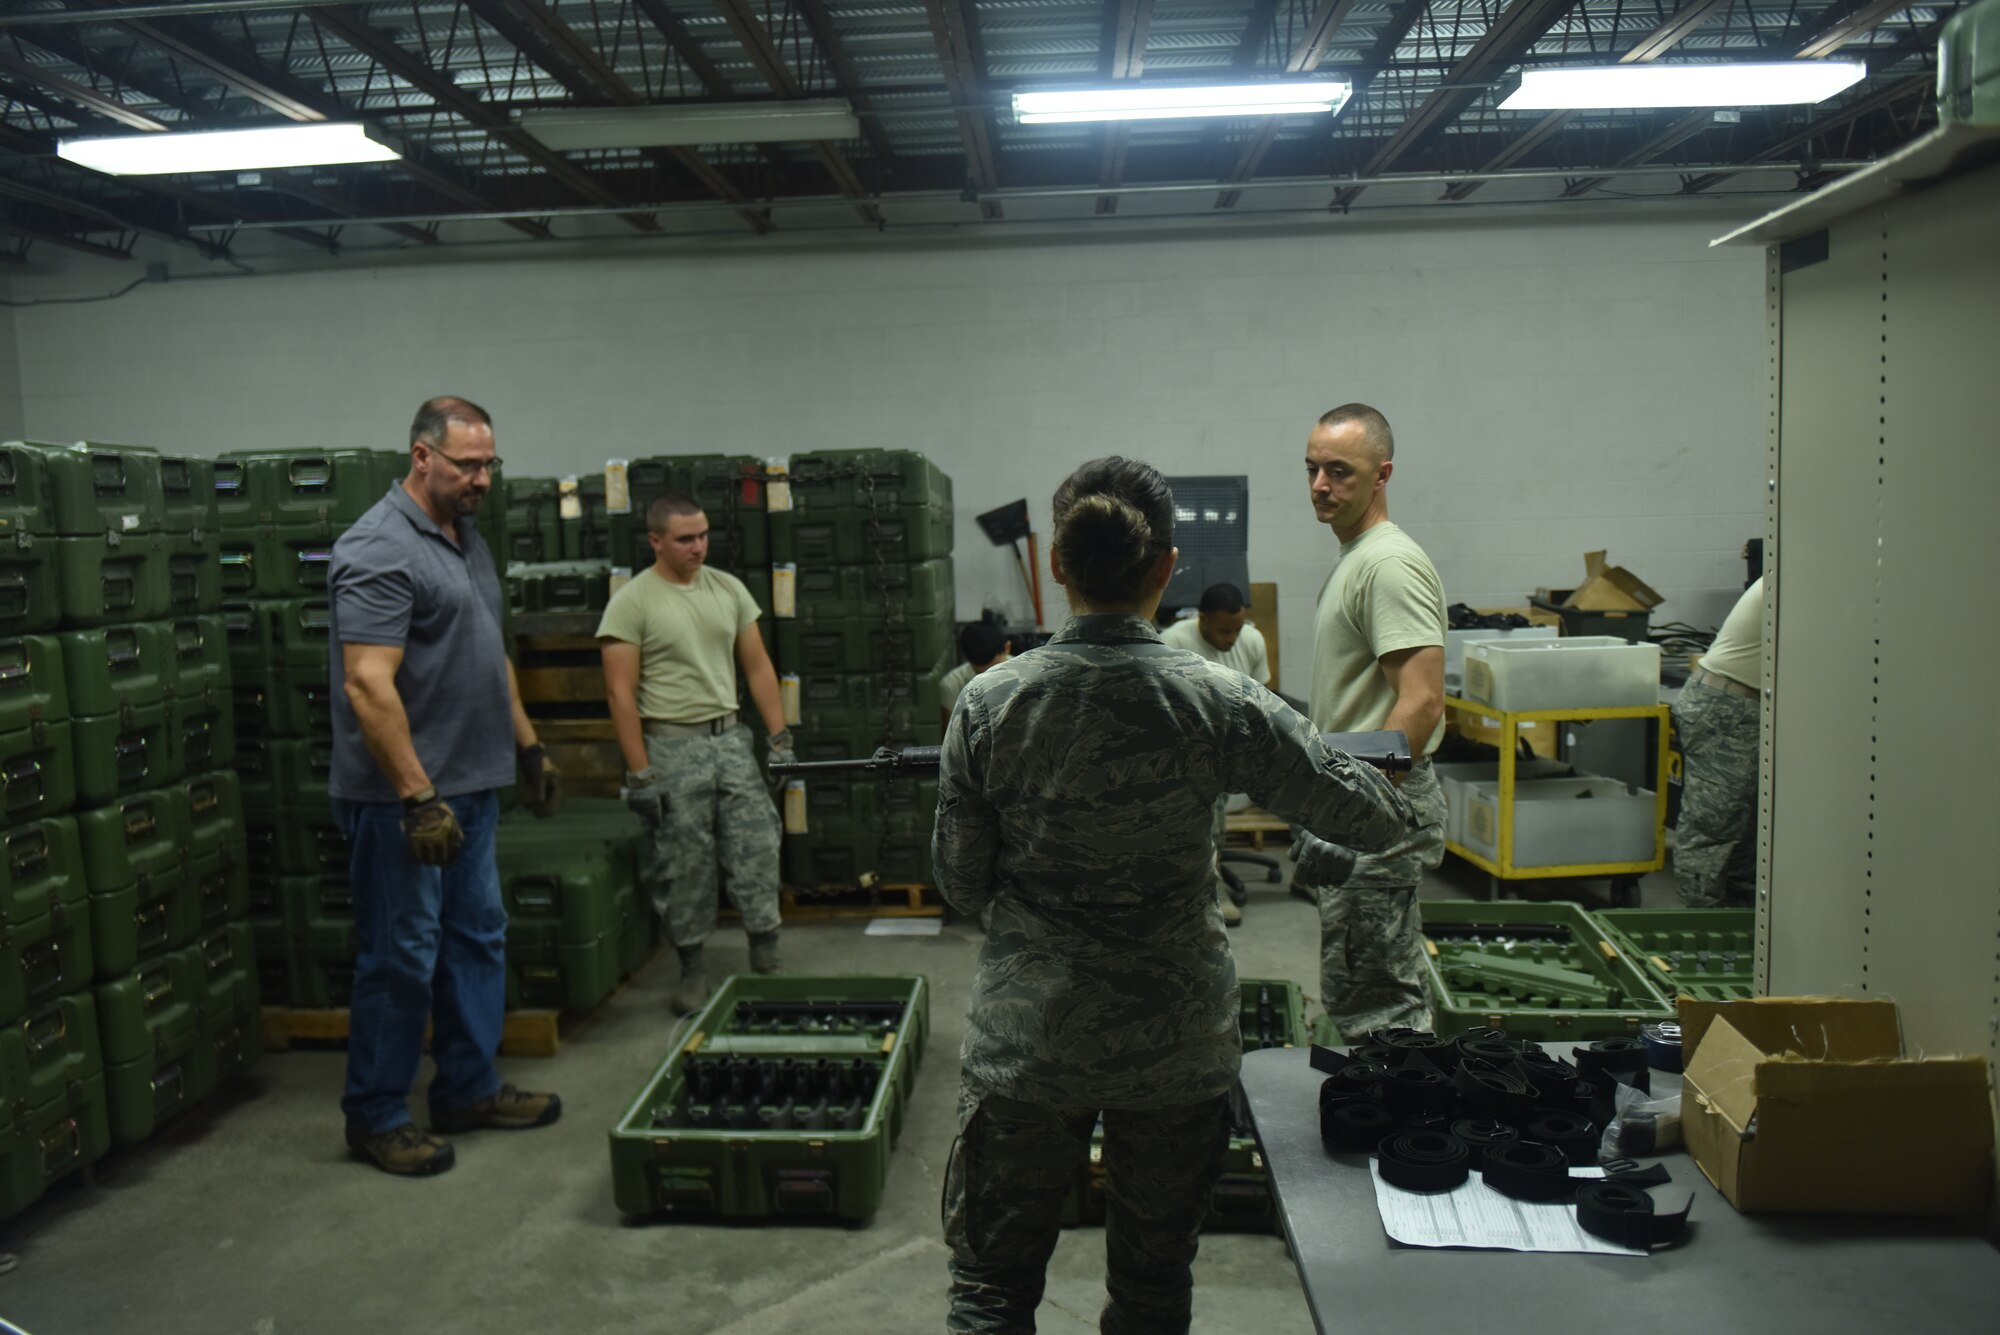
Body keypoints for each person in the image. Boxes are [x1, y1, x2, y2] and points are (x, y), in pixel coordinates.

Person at [935, 456, 1413, 1335]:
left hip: (1030, 1037)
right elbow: (1381, 817)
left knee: (991, 1294)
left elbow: (960, 885)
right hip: (1176, 1040)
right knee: (1153, 1291)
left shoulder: (988, 703)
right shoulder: (1224, 698)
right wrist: (1350, 811)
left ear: (1059, 568)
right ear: (1166, 569)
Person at [329, 396, 564, 1178]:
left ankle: (467, 1085)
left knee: (476, 934)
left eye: (489, 464)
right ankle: (377, 1114)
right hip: (406, 801)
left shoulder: (465, 538)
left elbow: (487, 651)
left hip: (474, 784)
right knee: (401, 953)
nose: (482, 478)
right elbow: (368, 683)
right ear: (421, 456)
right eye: (467, 464)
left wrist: (528, 747)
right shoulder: (377, 548)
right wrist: (415, 794)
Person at [598, 493, 791, 1015]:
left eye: (703, 535)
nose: (698, 547)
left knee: (756, 844)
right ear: (655, 541)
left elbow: (757, 668)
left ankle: (766, 955)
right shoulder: (632, 602)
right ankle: (692, 968)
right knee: (684, 861)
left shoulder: (727, 589)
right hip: (671, 745)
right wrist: (640, 773)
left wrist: (779, 738)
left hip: (730, 742)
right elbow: (620, 694)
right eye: (685, 539)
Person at [1294, 403, 1448, 1039]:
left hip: (1378, 802)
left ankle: (1403, 1132)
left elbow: (1421, 702)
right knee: (1361, 983)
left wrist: (1357, 808)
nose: (1321, 486)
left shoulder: (1387, 565)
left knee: (1379, 1003)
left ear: (1382, 474)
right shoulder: (1357, 557)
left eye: (1340, 472)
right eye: (1311, 470)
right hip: (1355, 791)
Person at [1162, 583, 1273, 925]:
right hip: (1188, 749)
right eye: (1224, 630)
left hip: (1235, 741)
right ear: (1202, 619)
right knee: (1206, 787)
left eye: (1237, 629)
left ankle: (1309, 873)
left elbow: (1261, 702)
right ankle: (1210, 884)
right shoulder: (1173, 643)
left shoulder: (1251, 641)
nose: (1232, 638)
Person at [1673, 575, 1765, 906]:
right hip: (1728, 707)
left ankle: (1740, 925)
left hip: (1743, 706)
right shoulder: (1797, 575)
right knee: (1713, 829)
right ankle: (1699, 931)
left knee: (1748, 832)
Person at [940, 621, 1012, 720]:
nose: (987, 680)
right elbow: (954, 732)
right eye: (979, 673)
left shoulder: (1026, 674)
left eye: (995, 671)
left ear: (1007, 648)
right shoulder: (953, 685)